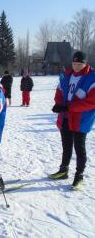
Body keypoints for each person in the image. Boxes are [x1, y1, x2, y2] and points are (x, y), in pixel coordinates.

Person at [49, 51, 95, 189]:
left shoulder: (92, 77)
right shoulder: (67, 75)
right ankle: (63, 170)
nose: (76, 66)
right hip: (65, 116)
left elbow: (91, 101)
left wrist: (70, 107)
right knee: (66, 145)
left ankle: (79, 176)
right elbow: (59, 91)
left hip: (81, 119)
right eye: (74, 63)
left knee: (79, 148)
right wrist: (58, 104)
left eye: (79, 64)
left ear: (85, 63)